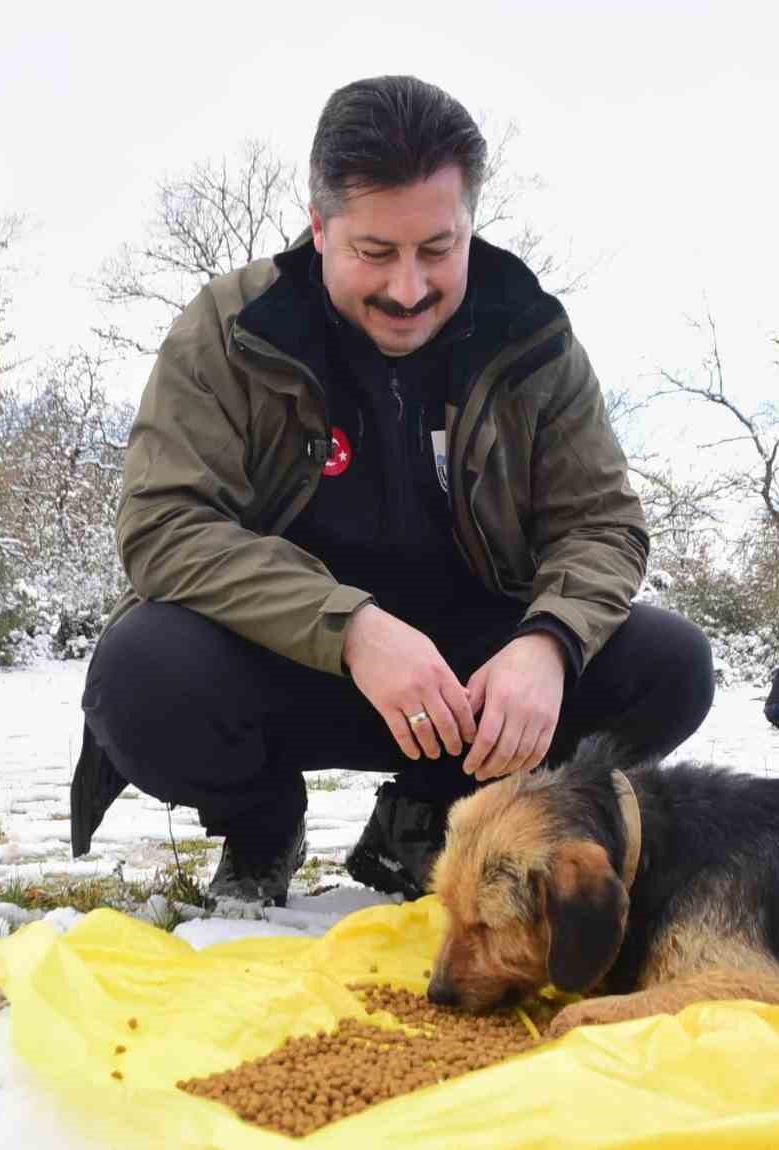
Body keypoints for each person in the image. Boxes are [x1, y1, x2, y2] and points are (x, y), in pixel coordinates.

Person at [69, 75, 714, 909]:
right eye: (374, 253)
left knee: (668, 666)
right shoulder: (228, 328)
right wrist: (353, 628)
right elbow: (164, 526)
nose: (407, 289)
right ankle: (263, 821)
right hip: (284, 658)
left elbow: (603, 525)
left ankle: (430, 817)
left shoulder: (535, 338)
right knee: (138, 674)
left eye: (437, 250)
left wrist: (548, 642)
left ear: (469, 224)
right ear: (319, 227)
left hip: (472, 683)